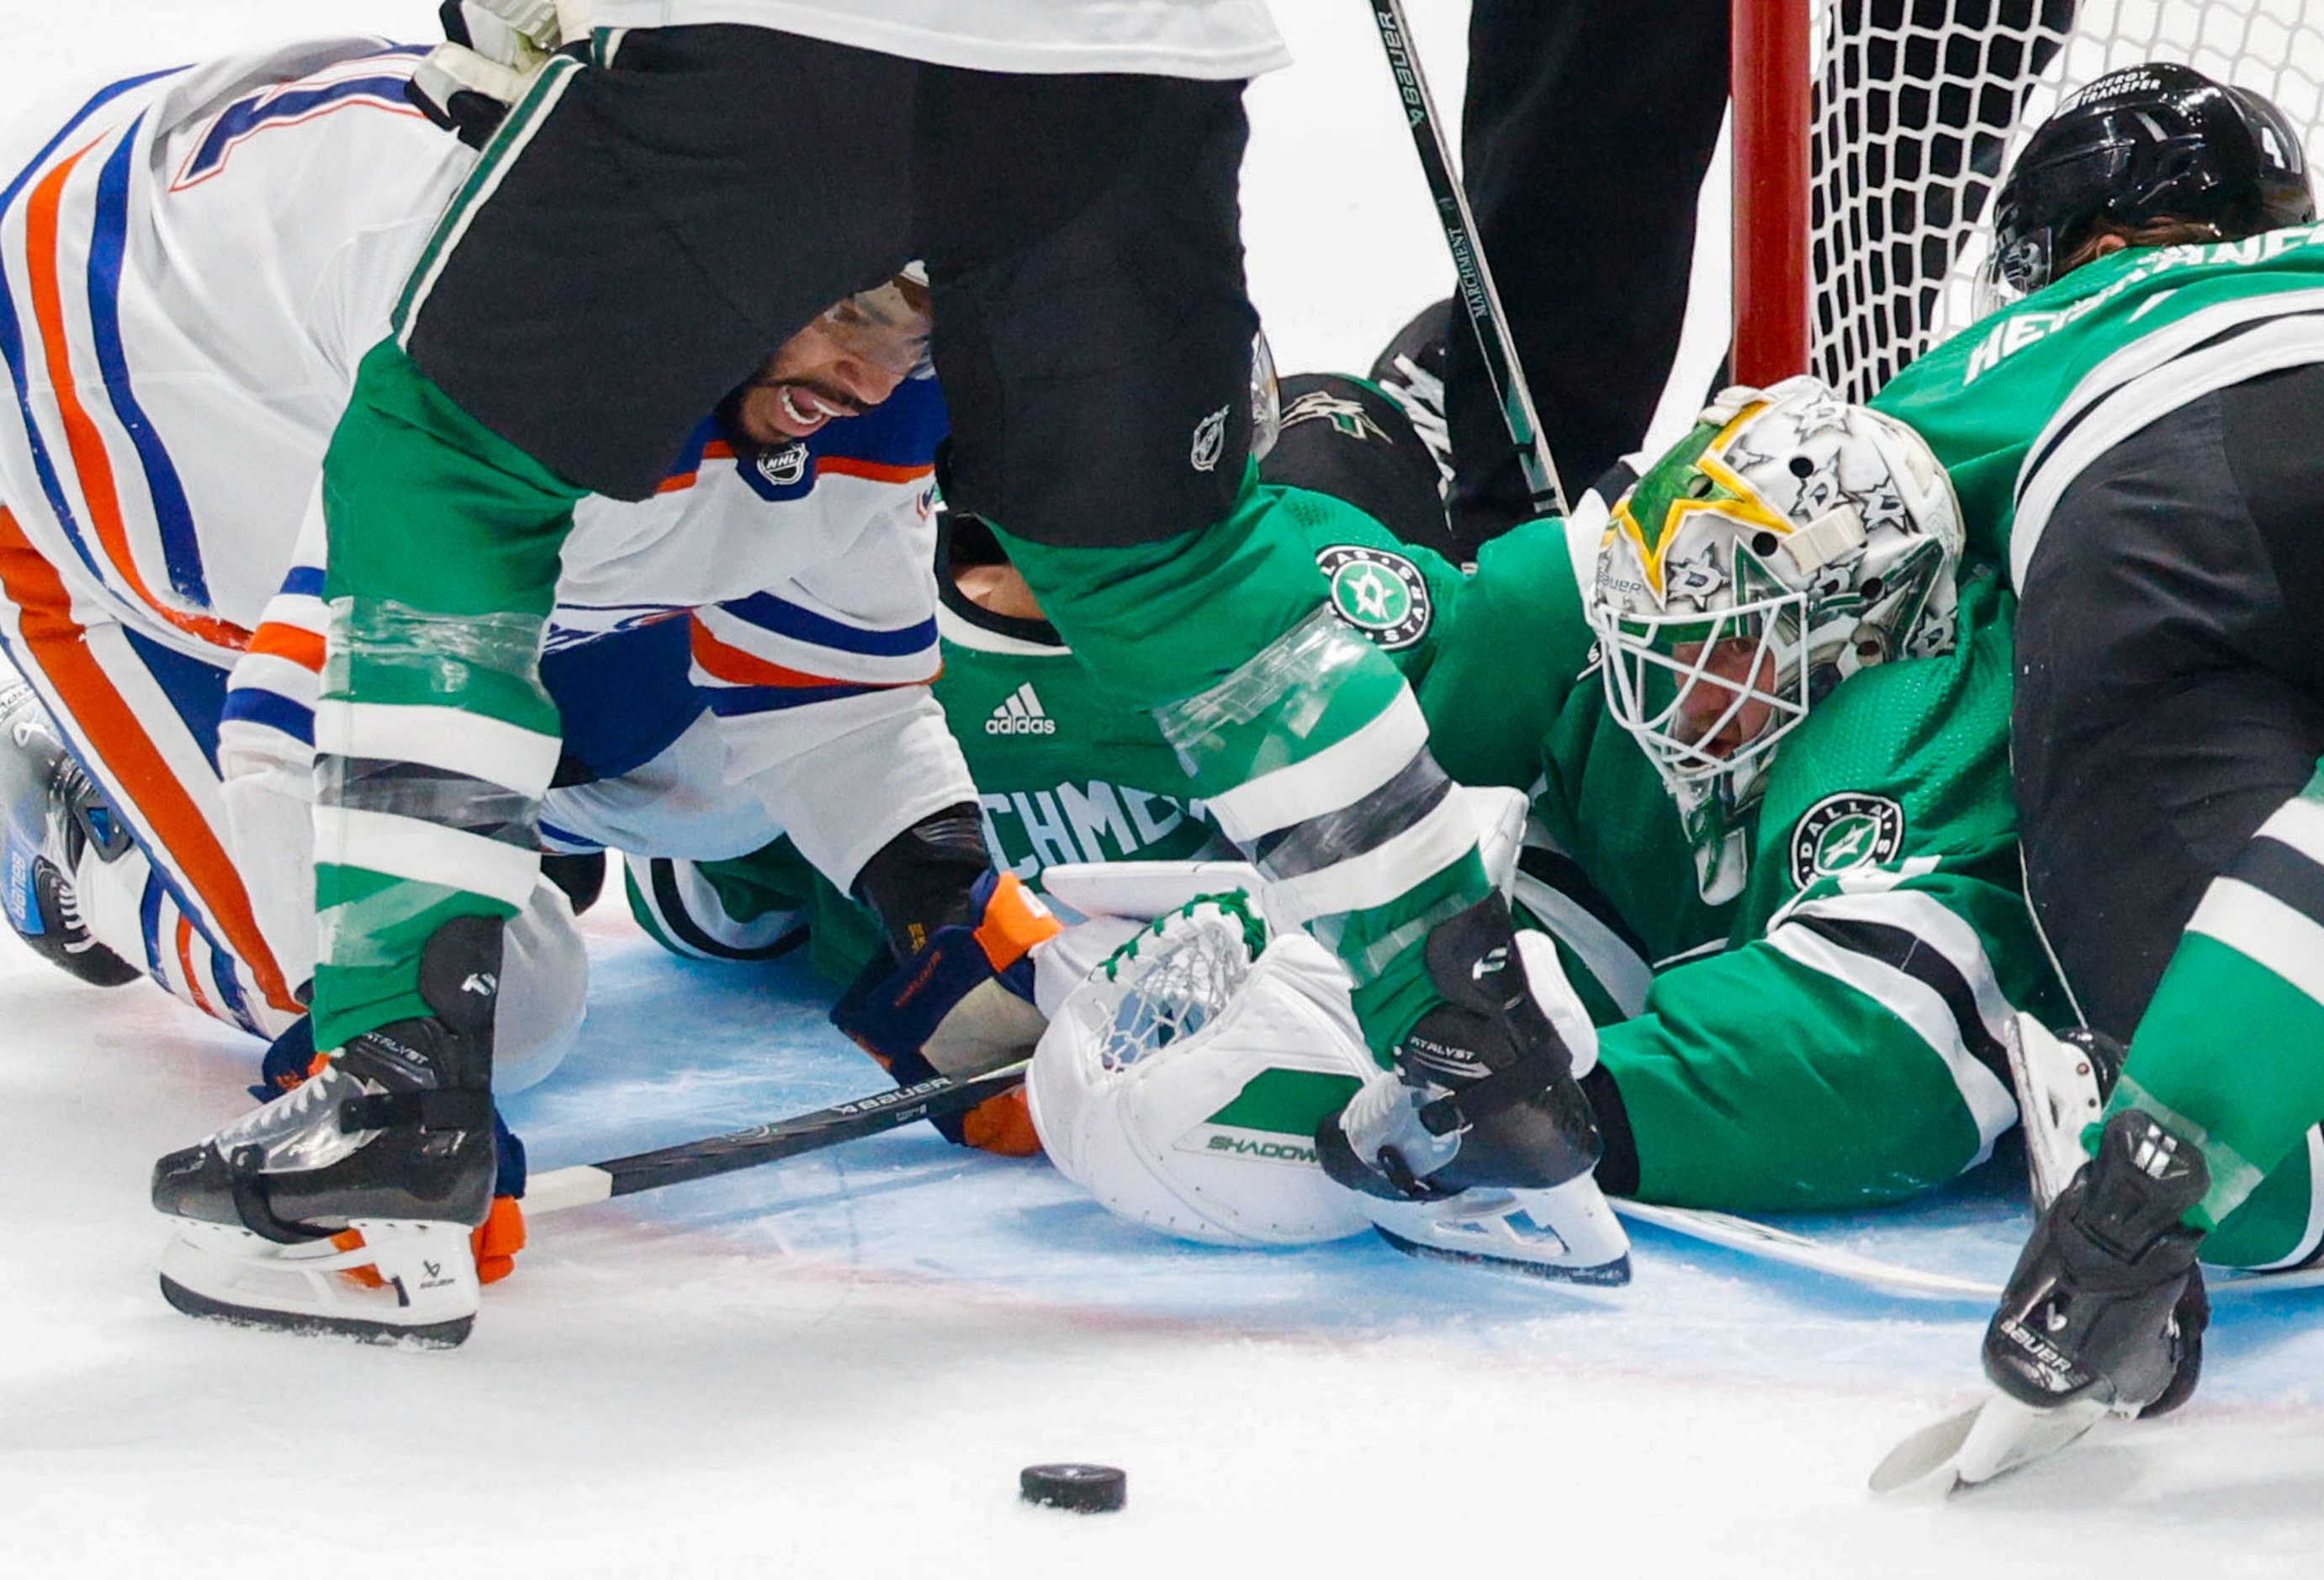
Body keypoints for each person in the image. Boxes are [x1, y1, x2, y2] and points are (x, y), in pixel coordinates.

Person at [155, 0, 1611, 1343]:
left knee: (451, 459)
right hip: (1142, 57)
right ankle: (1487, 1064)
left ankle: (397, 1088)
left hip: (806, 38)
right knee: (1179, 569)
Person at [0, 38, 1054, 1338]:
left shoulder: (833, 344)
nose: (879, 379)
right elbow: (294, 747)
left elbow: (831, 696)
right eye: (854, 315)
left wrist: (948, 910)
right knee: (515, 1006)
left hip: (339, 306)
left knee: (728, 791)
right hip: (116, 459)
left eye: (917, 327)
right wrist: (392, 1070)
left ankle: (537, 825)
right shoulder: (533, 315)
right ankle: (80, 834)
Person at [717, 364, 2071, 1270]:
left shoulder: (1906, 708)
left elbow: (1894, 1048)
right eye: (1660, 622)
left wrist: (1550, 1103)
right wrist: (1333, 978)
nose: (1670, 676)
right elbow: (1548, 896)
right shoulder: (1639, 698)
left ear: (1871, 618)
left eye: (1725, 636)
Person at [1870, 61, 2324, 1425]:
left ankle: (2147, 1119)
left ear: (2088, 243)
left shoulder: (2024, 341)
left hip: (2132, 530)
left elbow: (1781, 494)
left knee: (2285, 1167)